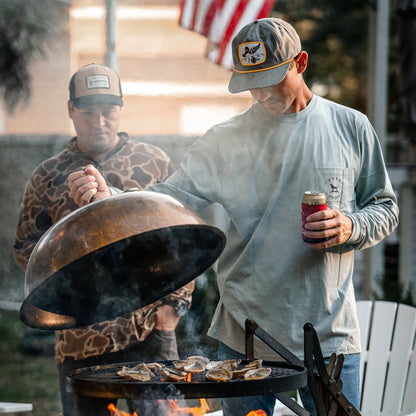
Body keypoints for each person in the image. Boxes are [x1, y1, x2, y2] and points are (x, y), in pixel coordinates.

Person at [67, 19, 399, 416]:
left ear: (301, 63)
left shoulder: (351, 127)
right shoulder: (225, 141)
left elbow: (385, 206)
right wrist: (112, 197)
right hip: (245, 336)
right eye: (252, 82)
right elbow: (167, 201)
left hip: (329, 336)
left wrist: (351, 226)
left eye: (272, 78)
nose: (261, 93)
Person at [13, 63, 194, 416]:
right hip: (79, 335)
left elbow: (183, 240)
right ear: (70, 110)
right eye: (88, 111)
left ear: (121, 110)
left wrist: (170, 311)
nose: (99, 122)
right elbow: (25, 248)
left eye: (108, 111)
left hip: (148, 331)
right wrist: (68, 244)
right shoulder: (47, 175)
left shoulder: (153, 163)